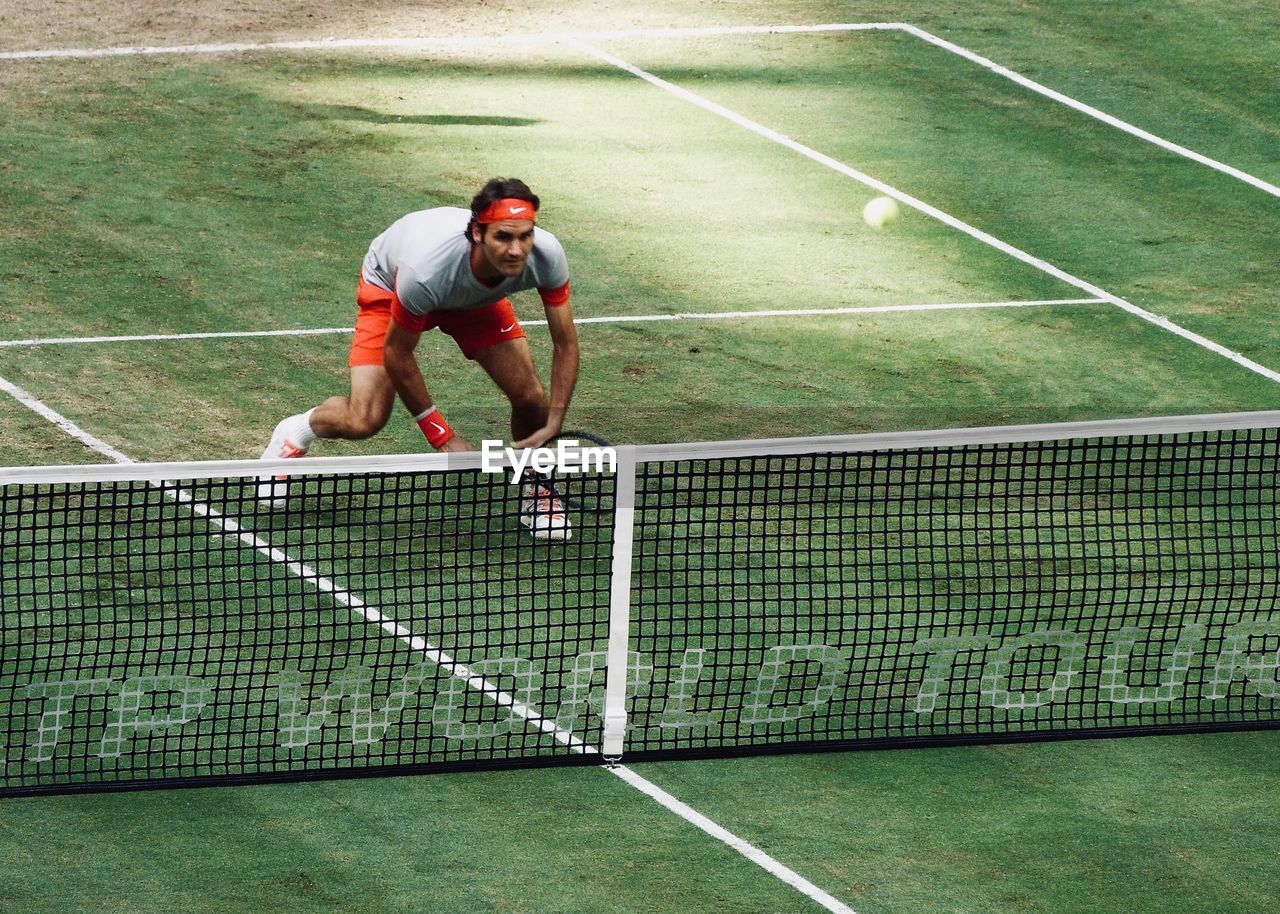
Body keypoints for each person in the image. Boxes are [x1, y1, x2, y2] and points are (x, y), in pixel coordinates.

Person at [258, 177, 579, 540]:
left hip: (474, 301)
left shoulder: (547, 255)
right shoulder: (425, 272)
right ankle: (295, 431)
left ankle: (537, 485)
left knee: (531, 399)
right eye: (503, 237)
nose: (517, 249)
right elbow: (399, 354)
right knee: (365, 419)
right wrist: (442, 436)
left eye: (525, 235)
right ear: (477, 234)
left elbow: (565, 343)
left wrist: (554, 420)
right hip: (391, 282)